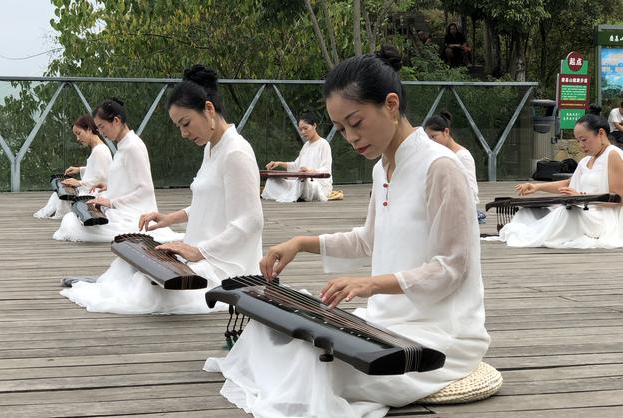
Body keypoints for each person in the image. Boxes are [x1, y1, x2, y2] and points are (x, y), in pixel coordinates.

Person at [205, 45, 490, 418]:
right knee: (276, 336)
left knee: (312, 368)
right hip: (386, 320)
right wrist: (301, 243)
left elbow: (452, 268)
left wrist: (368, 284)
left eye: (355, 123)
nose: (351, 138)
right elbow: (368, 239)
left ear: (391, 105)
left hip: (439, 335)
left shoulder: (441, 167)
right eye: (341, 129)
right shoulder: (382, 167)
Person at [60, 65, 264, 314]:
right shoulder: (212, 148)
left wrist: (200, 251)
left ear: (208, 109)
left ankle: (110, 288)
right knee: (130, 264)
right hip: (200, 251)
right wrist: (172, 217)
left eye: (186, 123)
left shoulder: (236, 152)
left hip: (226, 265)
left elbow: (251, 221)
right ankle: (105, 285)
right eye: (179, 126)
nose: (183, 133)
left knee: (148, 287)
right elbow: (213, 201)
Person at [53, 98, 181, 243]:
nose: (100, 132)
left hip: (131, 213)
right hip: (118, 208)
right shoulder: (124, 145)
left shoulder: (132, 147)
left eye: (102, 126)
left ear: (116, 121)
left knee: (71, 223)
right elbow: (129, 179)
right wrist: (109, 186)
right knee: (73, 219)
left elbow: (145, 190)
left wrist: (111, 202)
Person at [494, 114, 623, 248]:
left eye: (584, 139)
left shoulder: (613, 155)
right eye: (578, 141)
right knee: (528, 212)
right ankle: (533, 234)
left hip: (603, 218)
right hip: (583, 210)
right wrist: (536, 187)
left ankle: (532, 235)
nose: (581, 145)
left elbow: (619, 199)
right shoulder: (586, 161)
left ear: (601, 133)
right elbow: (568, 184)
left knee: (565, 212)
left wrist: (582, 198)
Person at [34, 115, 111, 219]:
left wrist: (79, 183)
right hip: (91, 189)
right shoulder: (99, 148)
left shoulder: (99, 150)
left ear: (88, 129)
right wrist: (79, 169)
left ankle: (59, 214)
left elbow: (101, 178)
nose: (78, 138)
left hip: (95, 193)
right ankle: (55, 212)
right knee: (59, 194)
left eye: (79, 133)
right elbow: (96, 170)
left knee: (62, 195)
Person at [424, 111, 485, 223]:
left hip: (460, 213)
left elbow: (472, 191)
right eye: (428, 139)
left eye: (434, 137)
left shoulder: (463, 156)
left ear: (446, 132)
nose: (431, 142)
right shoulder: (437, 154)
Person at [261, 113, 333, 202]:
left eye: (305, 128)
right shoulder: (306, 146)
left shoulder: (323, 144)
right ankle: (296, 193)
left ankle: (296, 193)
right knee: (272, 181)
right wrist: (278, 163)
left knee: (303, 183)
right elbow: (295, 165)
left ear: (314, 126)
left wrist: (310, 171)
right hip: (302, 182)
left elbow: (326, 169)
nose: (303, 132)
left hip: (317, 185)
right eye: (301, 129)